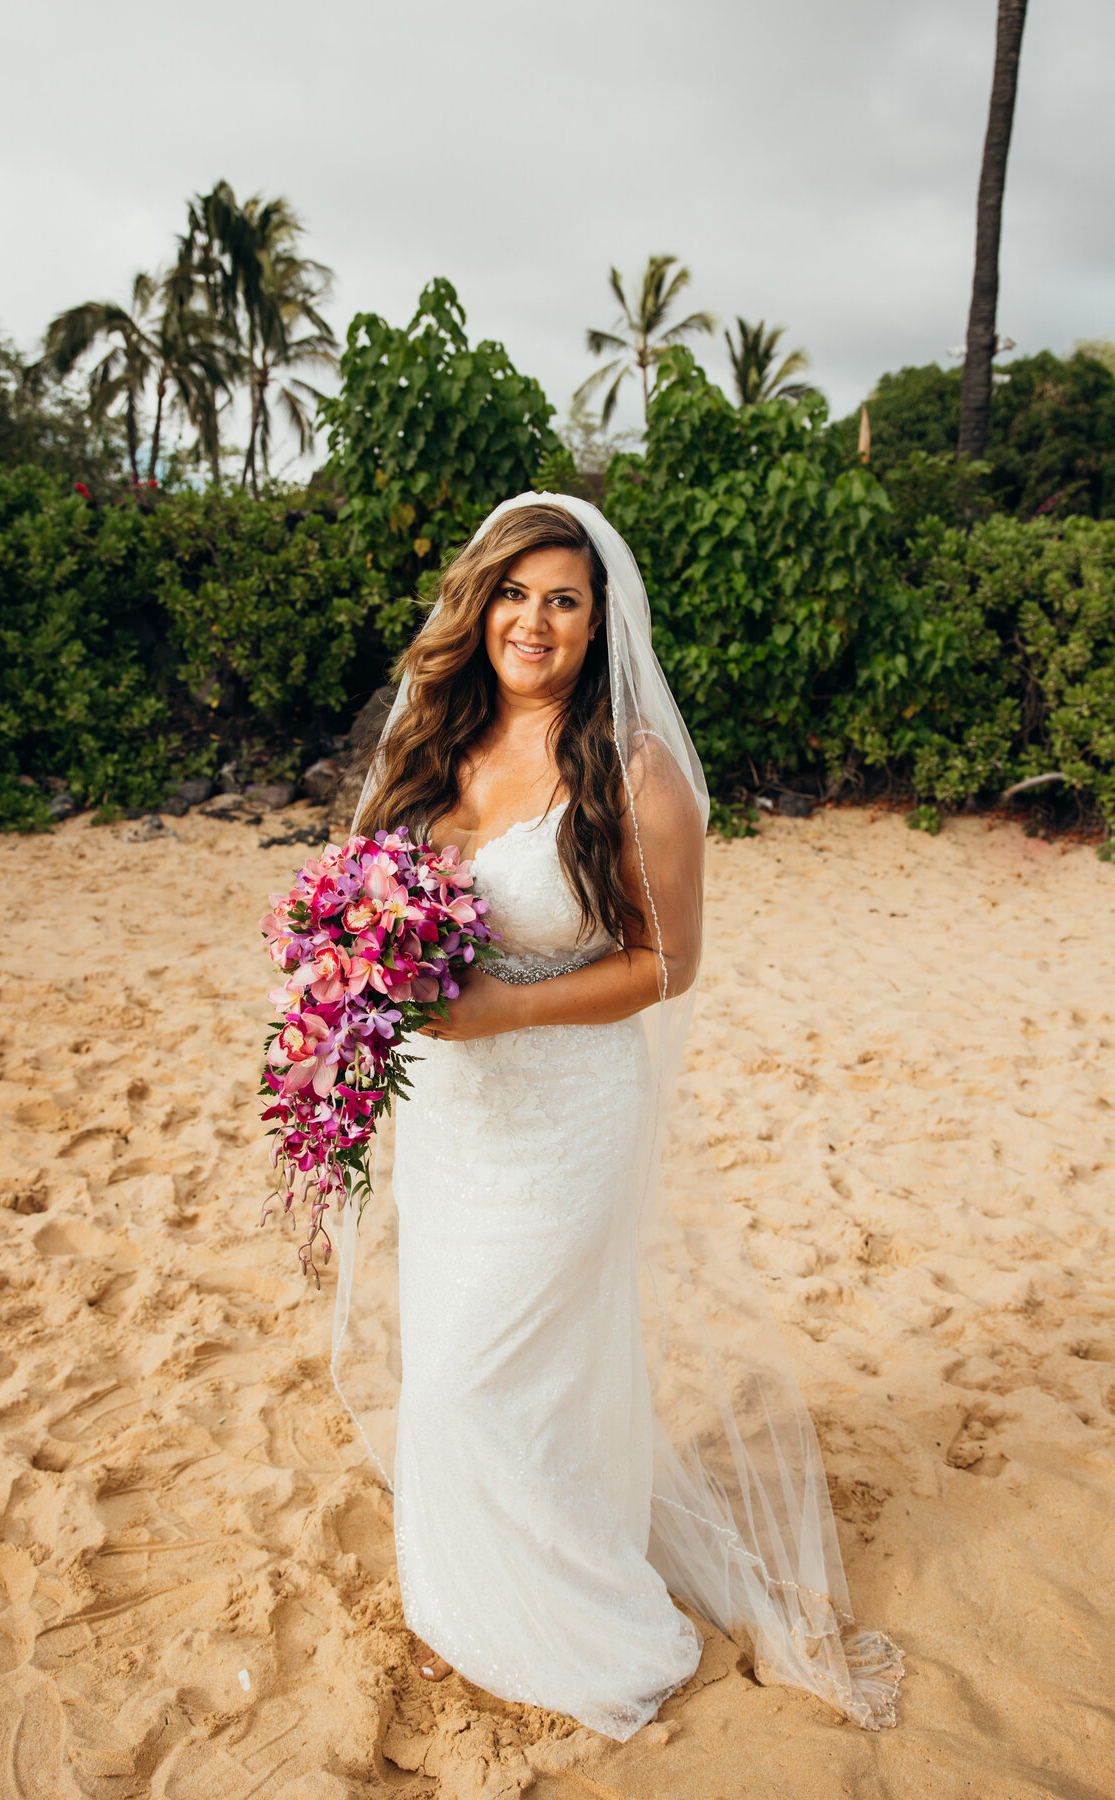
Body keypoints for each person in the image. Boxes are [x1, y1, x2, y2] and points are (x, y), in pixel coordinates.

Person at [337, 494, 903, 1740]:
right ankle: (468, 1602)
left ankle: (580, 1621)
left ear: (599, 626)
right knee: (486, 1369)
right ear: (477, 604)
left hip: (564, 1115)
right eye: (513, 593)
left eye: (563, 600)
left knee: (466, 1382)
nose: (532, 621)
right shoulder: (433, 749)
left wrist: (505, 1015)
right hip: (451, 1119)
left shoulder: (633, 768)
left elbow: (666, 964)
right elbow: (367, 904)